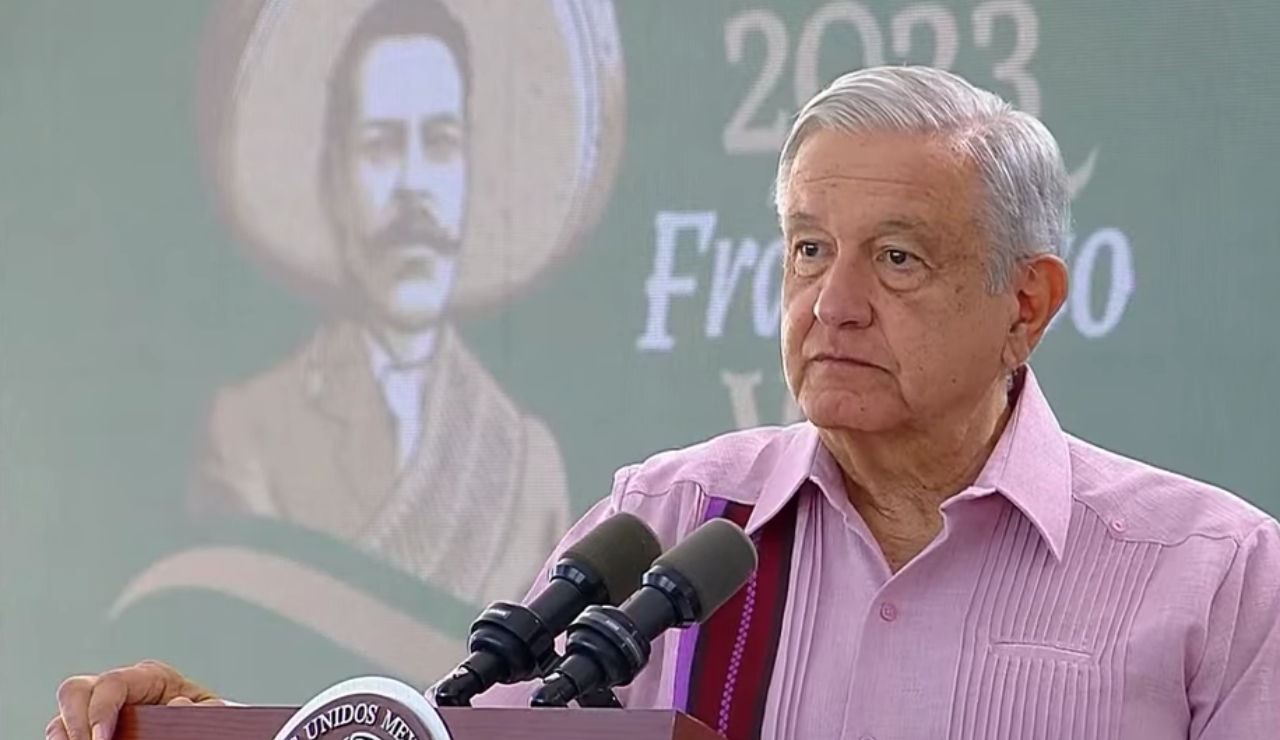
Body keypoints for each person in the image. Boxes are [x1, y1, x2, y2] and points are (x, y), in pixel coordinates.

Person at [49, 65, 1280, 740]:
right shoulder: (669, 520)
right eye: (807, 249)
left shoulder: (1213, 574)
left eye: (897, 258)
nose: (832, 303)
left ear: (1027, 302)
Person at [184, 0, 573, 608]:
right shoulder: (251, 434)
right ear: (335, 178)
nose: (414, 184)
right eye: (381, 145)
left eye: (440, 144)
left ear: (469, 173)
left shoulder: (527, 464)